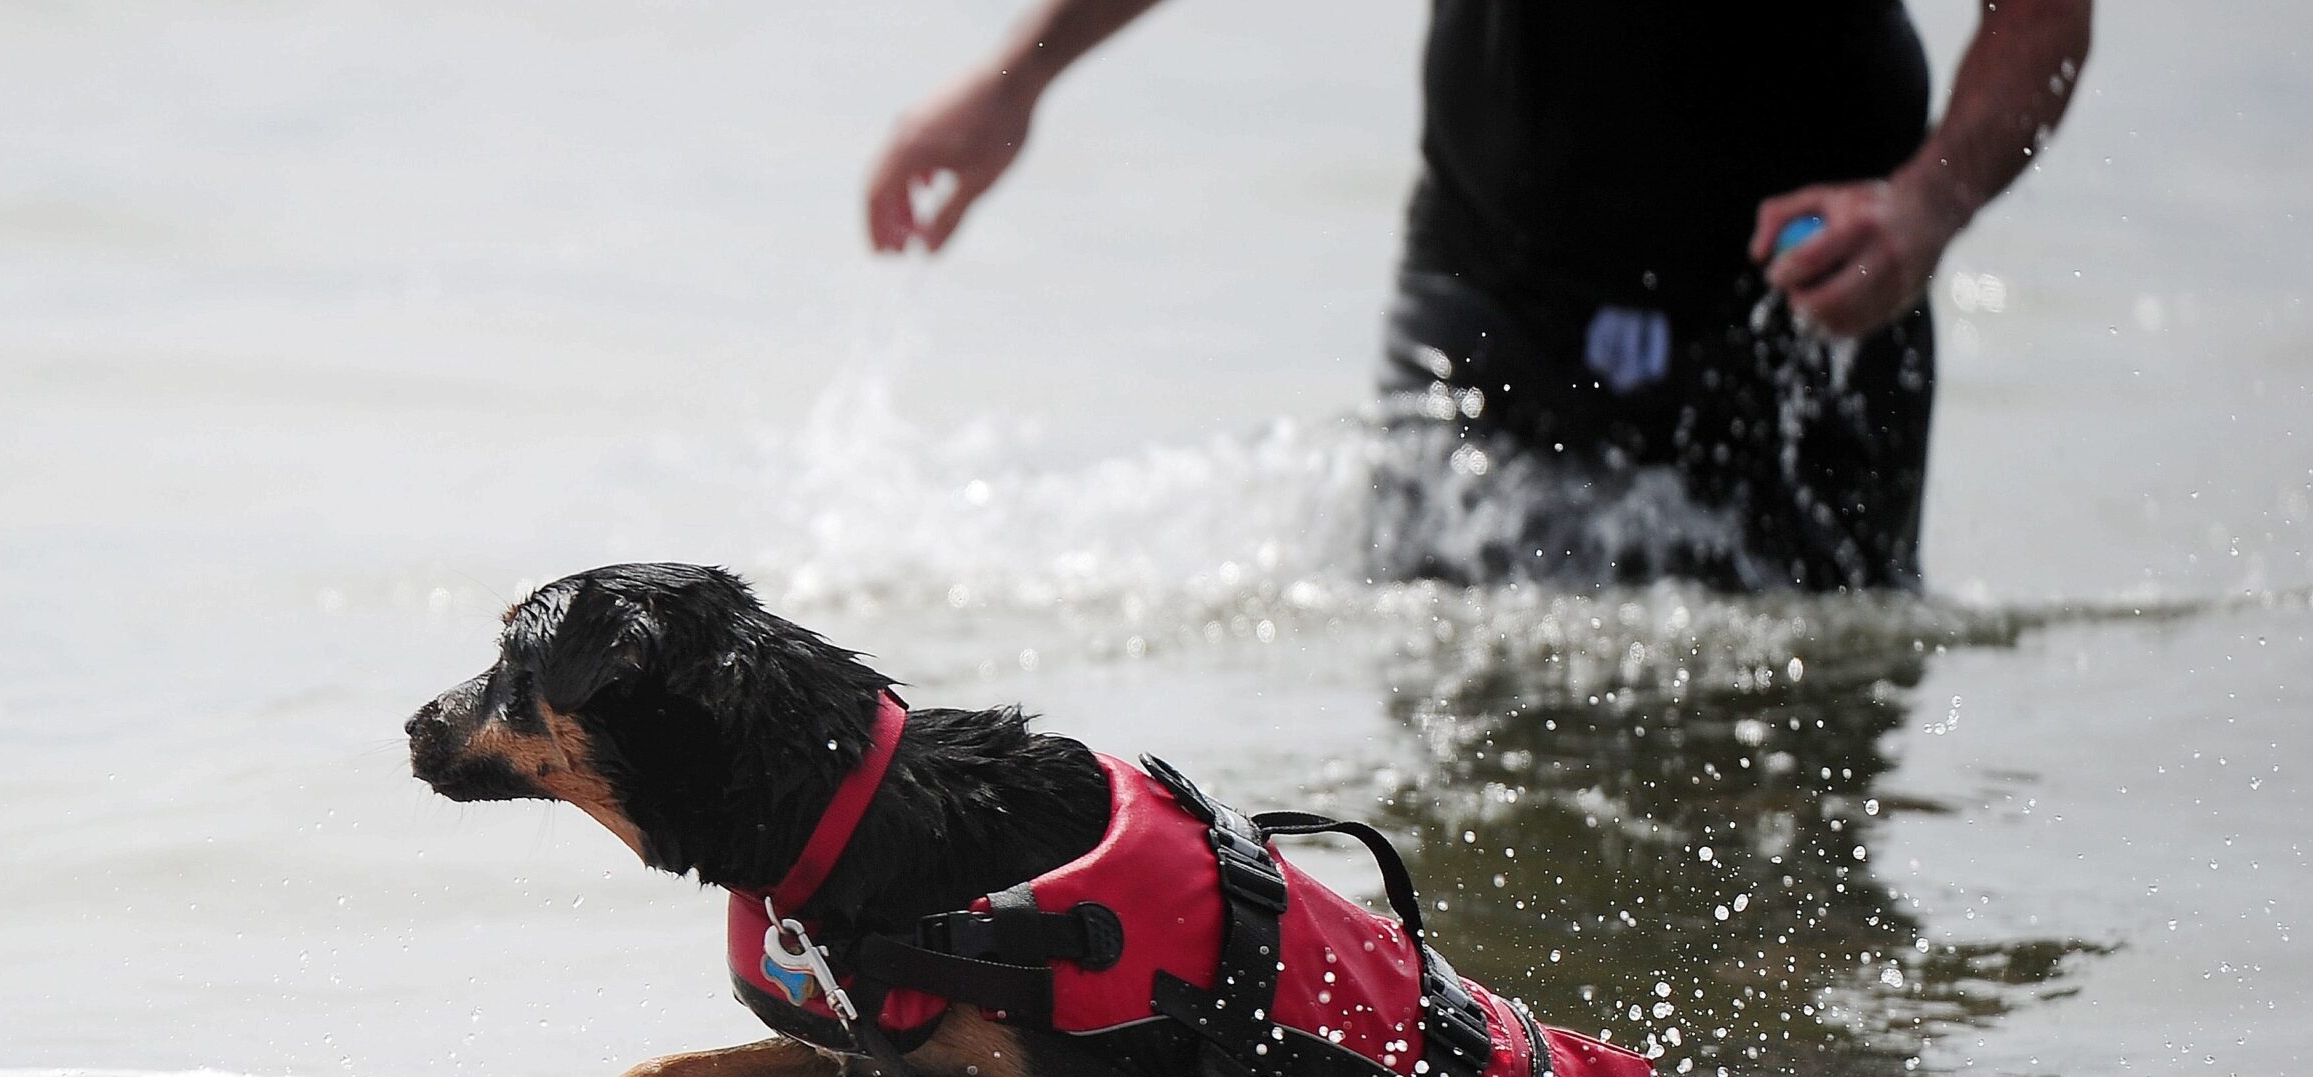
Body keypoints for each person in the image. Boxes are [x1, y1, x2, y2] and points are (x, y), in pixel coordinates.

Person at [864, 1, 2093, 590]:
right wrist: (1016, 80)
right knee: (1452, 686)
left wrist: (1927, 206)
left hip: (1817, 298)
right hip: (1496, 268)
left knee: (1816, 712)